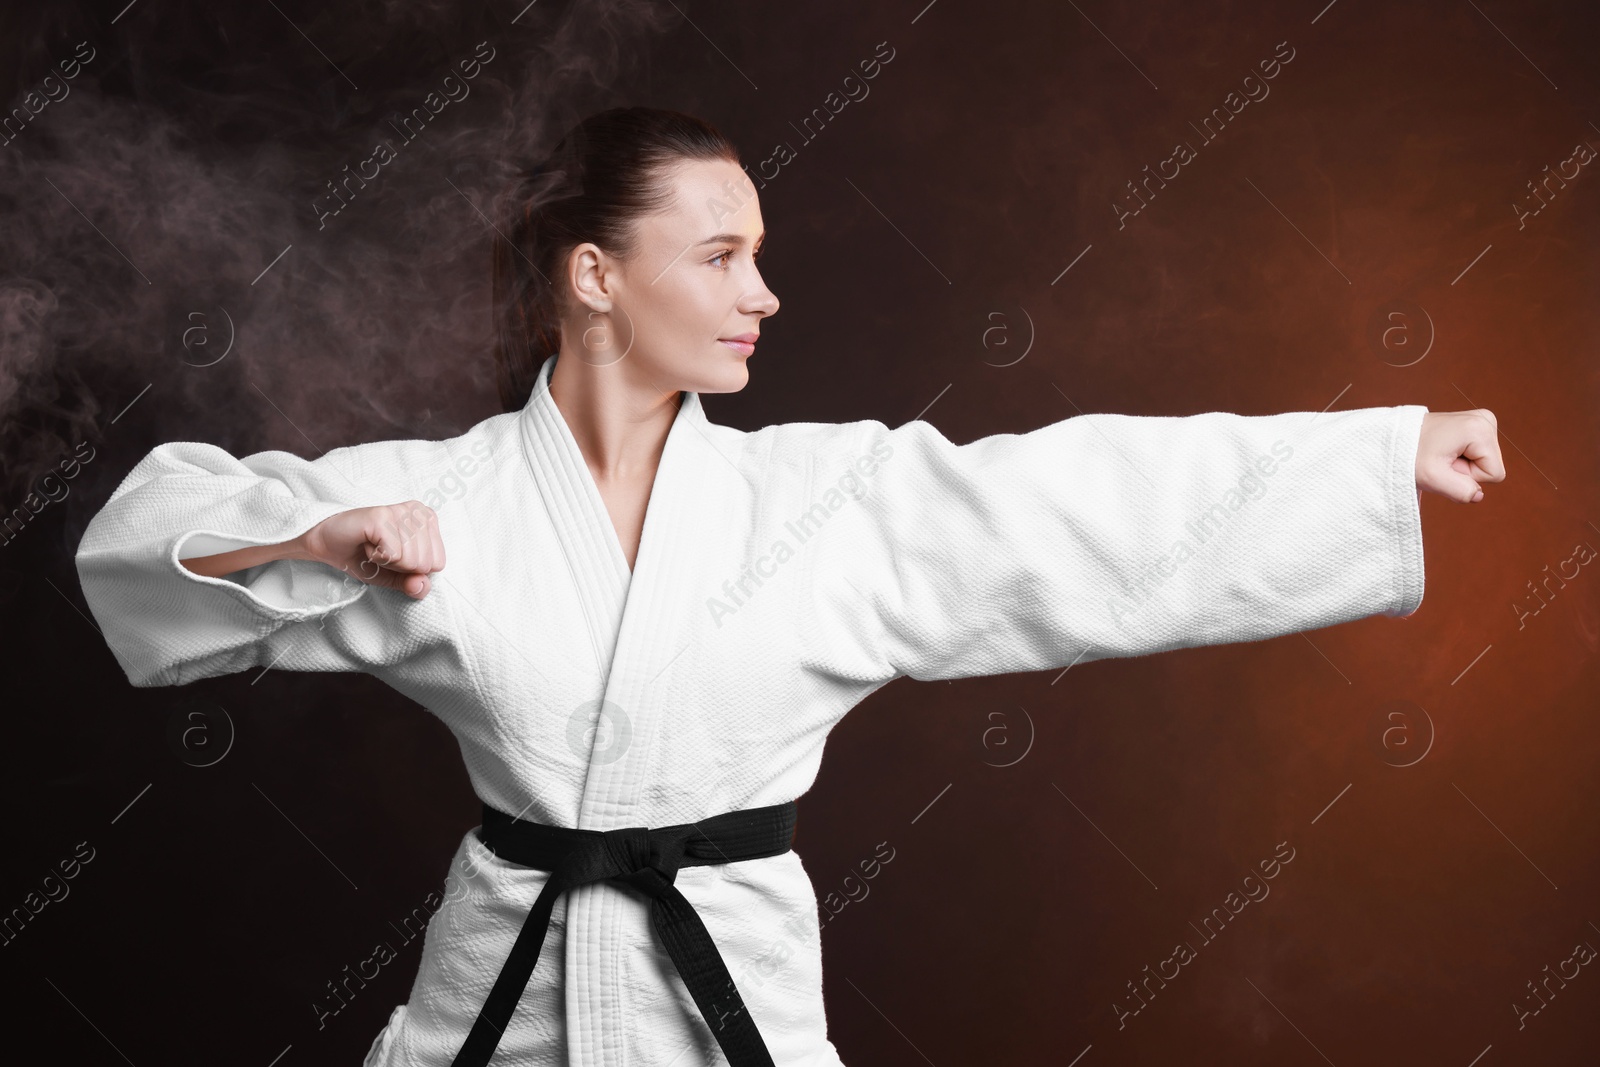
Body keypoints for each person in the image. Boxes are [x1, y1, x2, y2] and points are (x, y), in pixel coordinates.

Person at [73, 106, 1505, 1067]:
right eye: (720, 256)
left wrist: (1371, 465)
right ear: (596, 278)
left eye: (759, 256)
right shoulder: (444, 501)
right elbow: (152, 538)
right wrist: (310, 547)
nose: (764, 293)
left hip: (732, 1013)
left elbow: (1067, 508)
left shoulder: (817, 502)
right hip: (491, 1021)